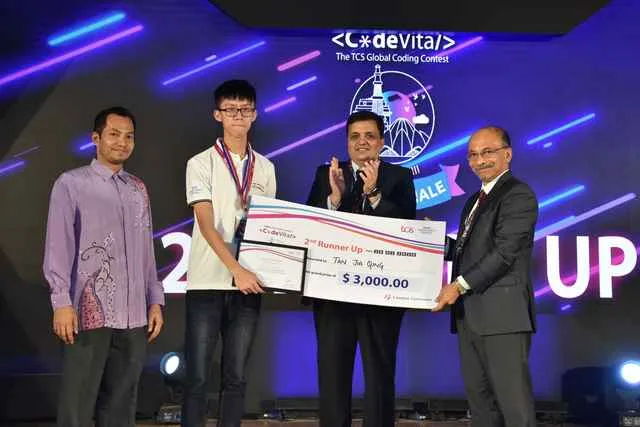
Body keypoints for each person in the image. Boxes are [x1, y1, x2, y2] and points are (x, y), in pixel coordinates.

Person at [43, 106, 165, 427]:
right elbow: (58, 246)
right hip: (87, 313)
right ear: (95, 138)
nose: (122, 142)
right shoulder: (71, 184)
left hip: (133, 316)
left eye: (129, 136)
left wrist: (155, 299)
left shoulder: (138, 189)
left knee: (122, 406)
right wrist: (61, 302)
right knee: (77, 405)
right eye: (114, 134)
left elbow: (146, 251)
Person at [306, 111, 416, 427]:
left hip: (381, 296)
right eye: (354, 136)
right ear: (347, 142)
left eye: (369, 136)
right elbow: (309, 225)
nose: (362, 142)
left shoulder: (399, 176)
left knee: (380, 376)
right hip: (332, 294)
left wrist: (374, 194)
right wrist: (334, 198)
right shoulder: (327, 174)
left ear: (381, 142)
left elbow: (406, 228)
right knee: (332, 376)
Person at [181, 80, 276, 427]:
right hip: (207, 283)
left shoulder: (265, 168)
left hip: (248, 286)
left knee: (236, 377)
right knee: (197, 377)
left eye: (245, 109)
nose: (238, 115)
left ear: (254, 115)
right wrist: (236, 268)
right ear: (217, 114)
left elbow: (267, 229)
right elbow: (206, 225)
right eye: (231, 109)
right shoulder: (200, 163)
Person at [433, 126, 538, 426]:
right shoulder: (474, 200)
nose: (480, 161)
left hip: (503, 316)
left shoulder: (518, 195)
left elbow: (504, 253)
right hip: (470, 317)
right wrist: (431, 241)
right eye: (473, 155)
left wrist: (458, 286)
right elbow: (469, 252)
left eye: (488, 152)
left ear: (508, 154)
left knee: (514, 408)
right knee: (481, 407)